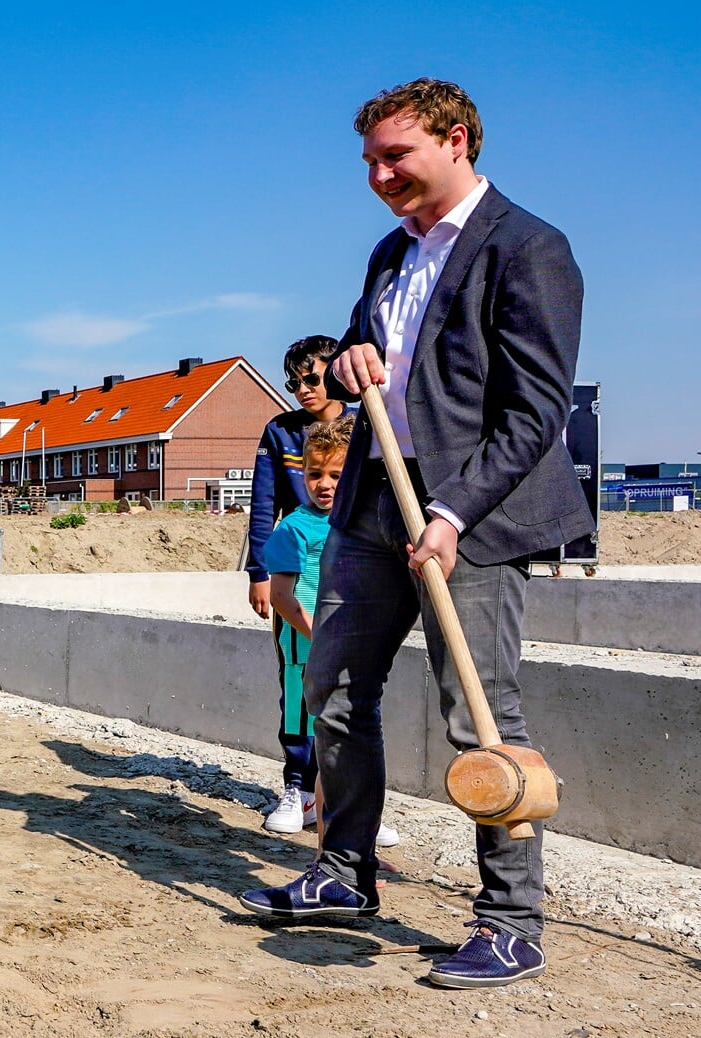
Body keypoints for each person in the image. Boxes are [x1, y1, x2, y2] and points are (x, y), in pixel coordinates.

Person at [240, 79, 593, 990]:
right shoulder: (390, 254)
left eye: (395, 156)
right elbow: (372, 351)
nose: (379, 175)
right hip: (373, 506)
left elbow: (535, 412)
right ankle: (345, 875)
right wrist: (355, 351)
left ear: (458, 140)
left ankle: (512, 923)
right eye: (369, 161)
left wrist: (451, 513)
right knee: (334, 686)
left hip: (475, 516)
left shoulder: (527, 248)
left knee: (479, 713)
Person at [248, 336, 361, 834]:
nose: (302, 389)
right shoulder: (279, 432)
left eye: (311, 378)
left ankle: (350, 800)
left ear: (333, 373)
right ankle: (297, 788)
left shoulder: (362, 424)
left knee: (355, 699)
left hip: (354, 578)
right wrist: (257, 573)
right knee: (297, 690)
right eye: (294, 382)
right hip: (297, 582)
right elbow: (262, 502)